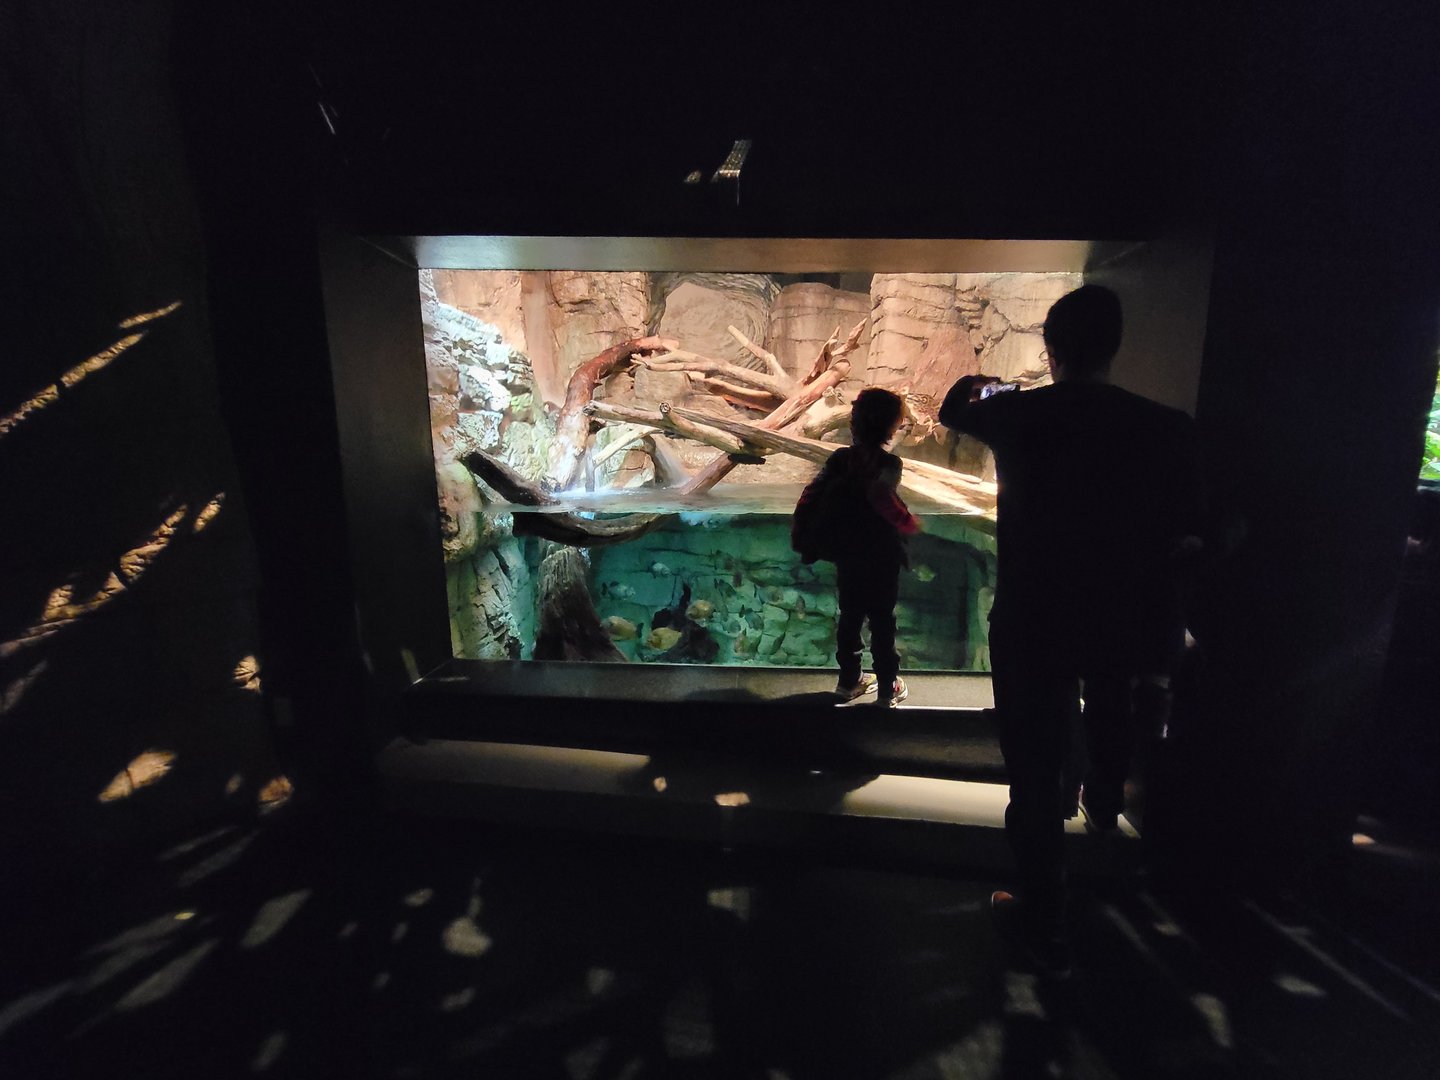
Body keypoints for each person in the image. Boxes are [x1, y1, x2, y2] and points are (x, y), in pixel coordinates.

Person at [939, 284, 1203, 977]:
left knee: (1031, 767)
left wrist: (995, 383)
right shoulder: (1163, 424)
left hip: (1032, 613)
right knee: (1110, 707)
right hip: (1118, 611)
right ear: (1115, 346)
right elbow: (1189, 517)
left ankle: (1042, 913)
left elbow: (950, 405)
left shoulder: (1021, 414)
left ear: (1050, 350)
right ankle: (1104, 816)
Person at [793, 387, 920, 707]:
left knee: (850, 615)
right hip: (881, 556)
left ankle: (849, 680)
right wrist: (907, 522)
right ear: (892, 426)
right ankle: (888, 685)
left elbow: (811, 494)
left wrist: (806, 534)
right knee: (882, 620)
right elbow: (881, 497)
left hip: (847, 553)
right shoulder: (889, 462)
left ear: (853, 422)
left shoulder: (840, 459)